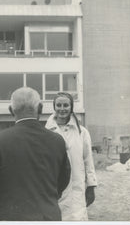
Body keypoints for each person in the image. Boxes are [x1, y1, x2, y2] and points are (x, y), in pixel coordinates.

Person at [0, 87, 71, 221]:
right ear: (40, 108)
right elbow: (64, 179)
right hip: (49, 216)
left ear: (11, 110)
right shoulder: (57, 141)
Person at [45, 92, 97, 221]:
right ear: (54, 107)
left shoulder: (82, 132)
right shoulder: (46, 132)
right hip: (54, 189)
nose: (62, 109)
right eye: (59, 105)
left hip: (76, 188)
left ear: (71, 107)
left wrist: (91, 186)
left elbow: (88, 160)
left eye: (66, 105)